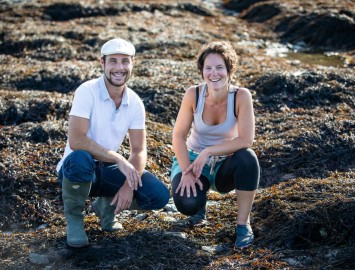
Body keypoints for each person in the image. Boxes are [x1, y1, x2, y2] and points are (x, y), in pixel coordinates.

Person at [56, 38, 170, 248]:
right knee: (81, 157)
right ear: (103, 63)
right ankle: (74, 220)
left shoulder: (134, 102)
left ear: (132, 63)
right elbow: (76, 140)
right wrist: (118, 158)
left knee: (158, 196)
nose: (119, 68)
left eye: (125, 61)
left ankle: (106, 206)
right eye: (113, 61)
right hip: (75, 171)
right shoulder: (87, 91)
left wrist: (128, 185)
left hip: (105, 171)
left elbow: (139, 149)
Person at [171, 41, 260, 249]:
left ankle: (242, 225)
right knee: (188, 205)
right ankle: (200, 207)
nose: (214, 73)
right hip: (193, 161)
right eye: (208, 68)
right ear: (201, 71)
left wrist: (209, 152)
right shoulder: (193, 94)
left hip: (223, 164)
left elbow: (246, 140)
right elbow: (178, 136)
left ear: (229, 69)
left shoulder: (241, 96)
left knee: (248, 158)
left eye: (219, 67)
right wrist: (186, 170)